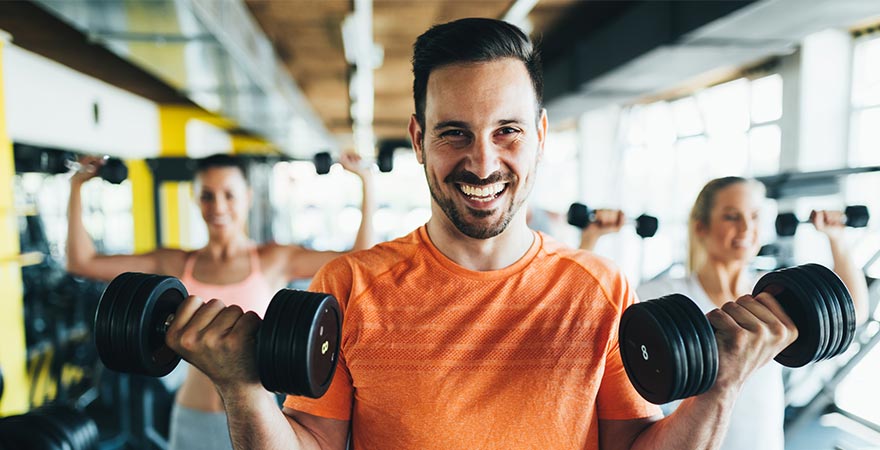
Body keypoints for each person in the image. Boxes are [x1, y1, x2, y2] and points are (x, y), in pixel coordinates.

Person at [162, 18, 801, 449]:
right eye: (454, 132)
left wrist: (720, 389)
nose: (483, 161)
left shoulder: (599, 288)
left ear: (541, 136)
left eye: (507, 130)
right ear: (418, 140)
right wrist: (243, 390)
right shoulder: (350, 285)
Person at [67, 152, 376, 450]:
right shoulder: (177, 263)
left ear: (248, 197)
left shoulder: (273, 259)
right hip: (192, 415)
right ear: (195, 199)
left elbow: (359, 261)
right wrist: (76, 185)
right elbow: (83, 262)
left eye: (229, 194)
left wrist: (366, 183)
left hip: (258, 418)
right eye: (207, 195)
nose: (218, 206)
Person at [596, 176, 869, 450]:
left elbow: (850, 315)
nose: (746, 228)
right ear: (701, 227)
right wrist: (590, 239)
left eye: (754, 216)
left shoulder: (776, 295)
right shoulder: (660, 294)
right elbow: (594, 330)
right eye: (731, 217)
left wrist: (837, 239)